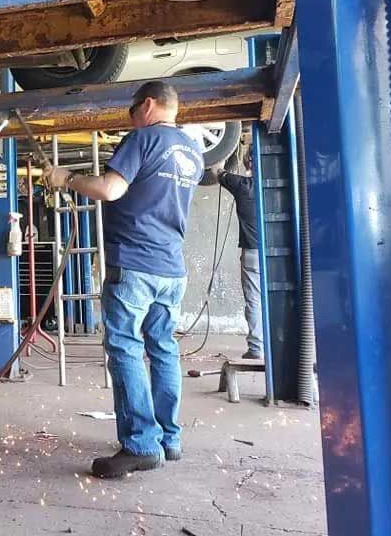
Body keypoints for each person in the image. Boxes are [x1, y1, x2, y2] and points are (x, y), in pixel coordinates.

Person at [44, 81, 203, 478]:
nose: (130, 118)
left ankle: (140, 444)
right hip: (171, 267)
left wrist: (66, 179)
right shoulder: (191, 151)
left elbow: (111, 189)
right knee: (163, 349)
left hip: (134, 262)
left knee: (125, 348)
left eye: (132, 110)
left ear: (147, 105)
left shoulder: (145, 138)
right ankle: (168, 439)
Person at [211, 149, 263, 360]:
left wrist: (226, 147)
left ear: (249, 161)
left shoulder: (242, 186)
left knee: (254, 301)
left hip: (252, 253)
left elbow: (216, 170)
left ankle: (257, 348)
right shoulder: (280, 186)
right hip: (279, 254)